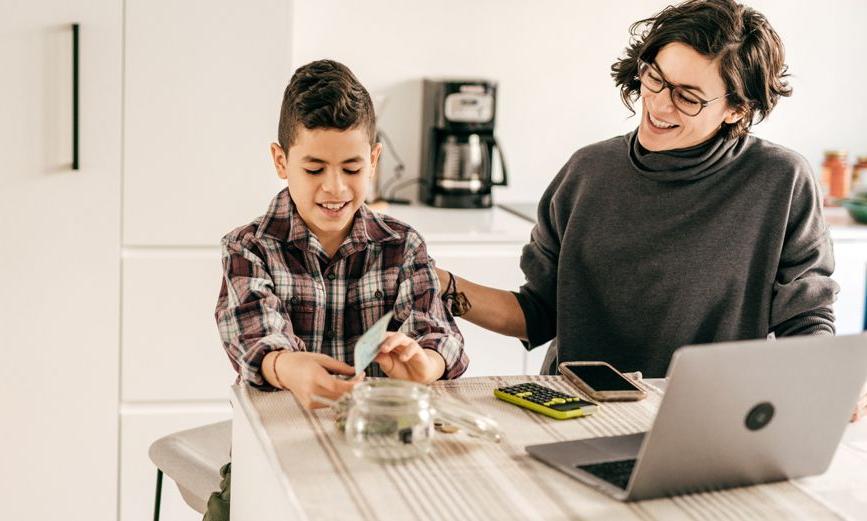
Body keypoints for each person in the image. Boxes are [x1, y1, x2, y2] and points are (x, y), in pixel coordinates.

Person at [438, 0, 842, 381]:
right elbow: (538, 313)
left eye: (688, 97)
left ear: (737, 108)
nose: (660, 106)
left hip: (704, 413)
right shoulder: (587, 172)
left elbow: (805, 320)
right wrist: (442, 283)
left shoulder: (779, 180)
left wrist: (831, 379)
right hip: (576, 405)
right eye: (656, 79)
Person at [207, 59, 468, 521]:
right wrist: (288, 368)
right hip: (273, 452)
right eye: (314, 169)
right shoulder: (249, 248)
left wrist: (422, 364)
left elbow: (438, 334)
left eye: (351, 168)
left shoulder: (402, 245)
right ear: (280, 161)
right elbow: (253, 336)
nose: (335, 187)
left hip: (379, 448)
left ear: (373, 159)